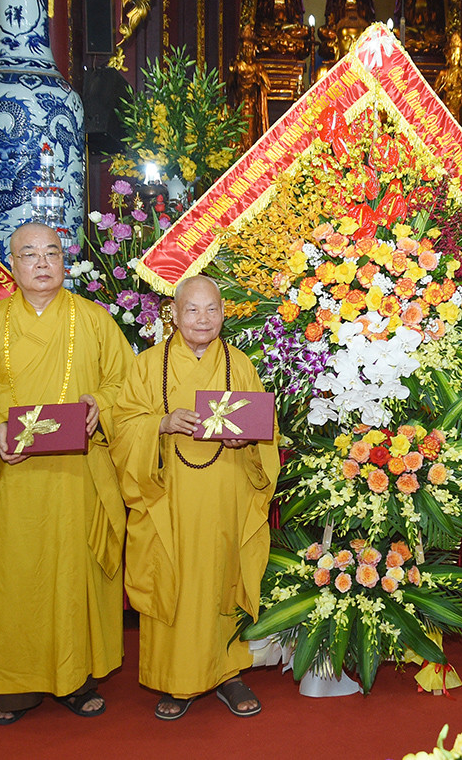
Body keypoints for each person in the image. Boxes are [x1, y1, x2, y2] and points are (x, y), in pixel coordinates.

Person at [0, 223, 133, 725]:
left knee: (75, 573)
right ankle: (17, 681)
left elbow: (125, 384)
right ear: (13, 265)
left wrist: (101, 406)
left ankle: (76, 678)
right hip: (14, 480)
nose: (42, 262)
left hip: (78, 475)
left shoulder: (95, 321)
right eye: (29, 254)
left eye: (52, 252)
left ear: (65, 262)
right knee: (16, 578)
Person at [110, 275, 279, 720]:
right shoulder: (148, 365)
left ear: (224, 313)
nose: (203, 319)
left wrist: (249, 442)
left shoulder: (239, 364)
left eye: (212, 310)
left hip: (226, 495)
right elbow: (123, 426)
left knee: (223, 578)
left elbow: (265, 427)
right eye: (192, 310)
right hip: (168, 502)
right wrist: (161, 425)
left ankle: (228, 673)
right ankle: (176, 679)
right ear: (174, 314)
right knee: (174, 581)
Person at [231, 25, 271, 150]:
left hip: (253, 105)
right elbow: (229, 88)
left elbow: (268, 86)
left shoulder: (258, 67)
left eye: (249, 47)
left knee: (252, 134)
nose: (247, 50)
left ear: (254, 49)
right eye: (245, 47)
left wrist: (258, 82)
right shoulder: (237, 66)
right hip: (240, 105)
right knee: (240, 135)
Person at [433, 33, 462, 127]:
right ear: (448, 57)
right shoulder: (443, 74)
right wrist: (443, 87)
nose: (455, 58)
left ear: (461, 57)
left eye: (457, 55)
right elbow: (434, 94)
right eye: (452, 55)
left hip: (458, 107)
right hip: (446, 106)